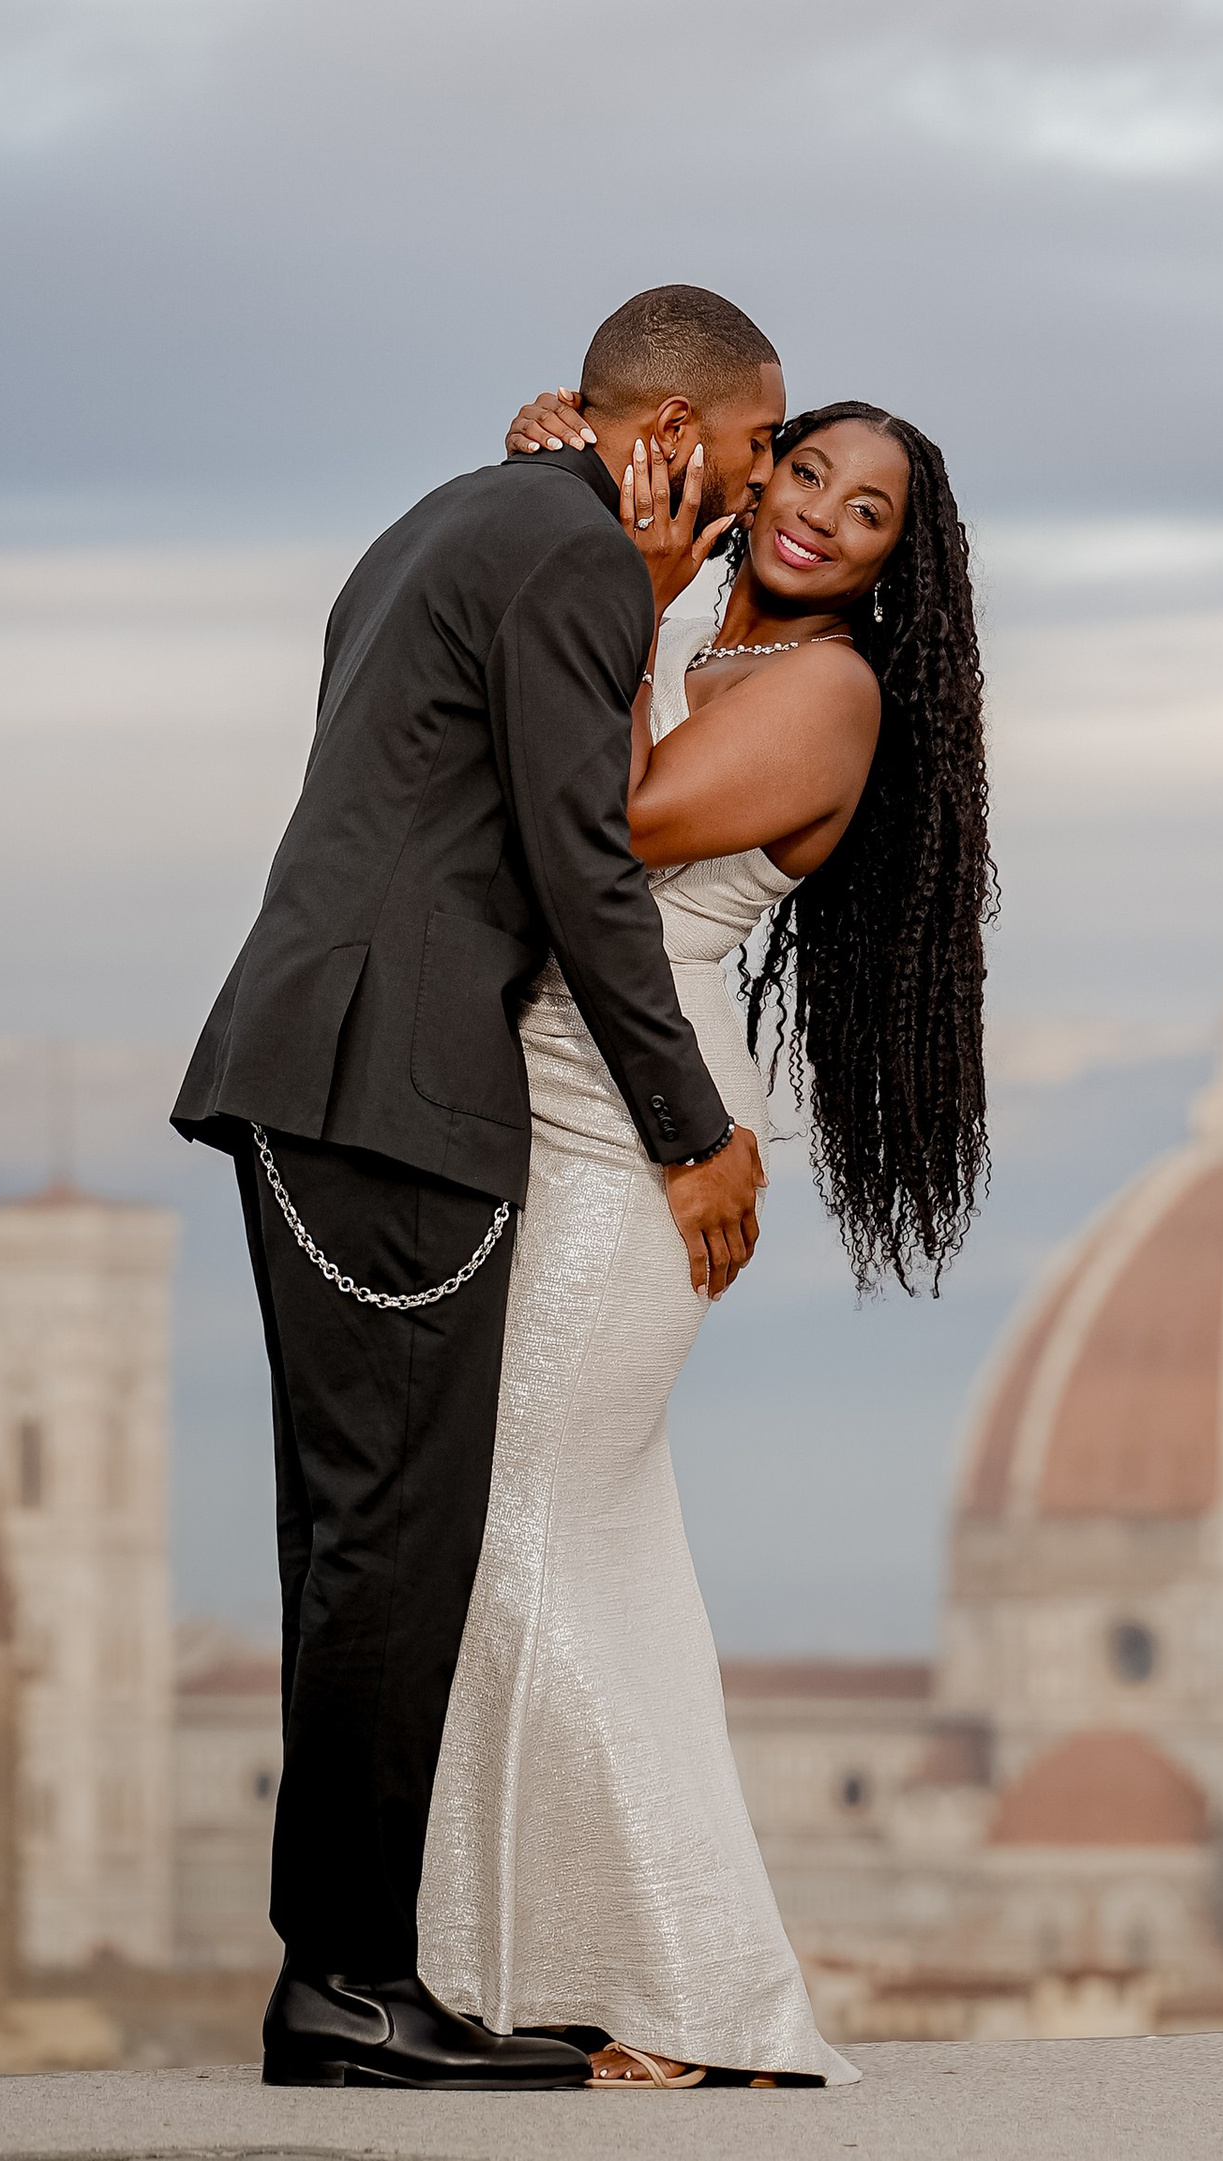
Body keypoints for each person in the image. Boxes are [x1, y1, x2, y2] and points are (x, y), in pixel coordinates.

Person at [172, 286, 784, 2093]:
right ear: (672, 430)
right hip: (400, 1094)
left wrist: (644, 591)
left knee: (349, 1540)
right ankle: (352, 1990)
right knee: (393, 1546)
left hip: (323, 1070)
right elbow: (577, 863)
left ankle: (345, 1979)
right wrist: (692, 1124)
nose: (751, 497)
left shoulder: (458, 515)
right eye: (751, 453)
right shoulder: (572, 561)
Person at [412, 377, 993, 2087]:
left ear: (897, 565)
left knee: (527, 1524)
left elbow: (600, 819)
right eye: (804, 468)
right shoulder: (704, 630)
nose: (819, 508)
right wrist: (581, 492)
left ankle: (676, 1997)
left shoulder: (825, 689)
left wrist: (637, 580)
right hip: (558, 1109)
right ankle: (574, 1972)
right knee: (588, 1552)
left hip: (645, 1141)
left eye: (865, 508)